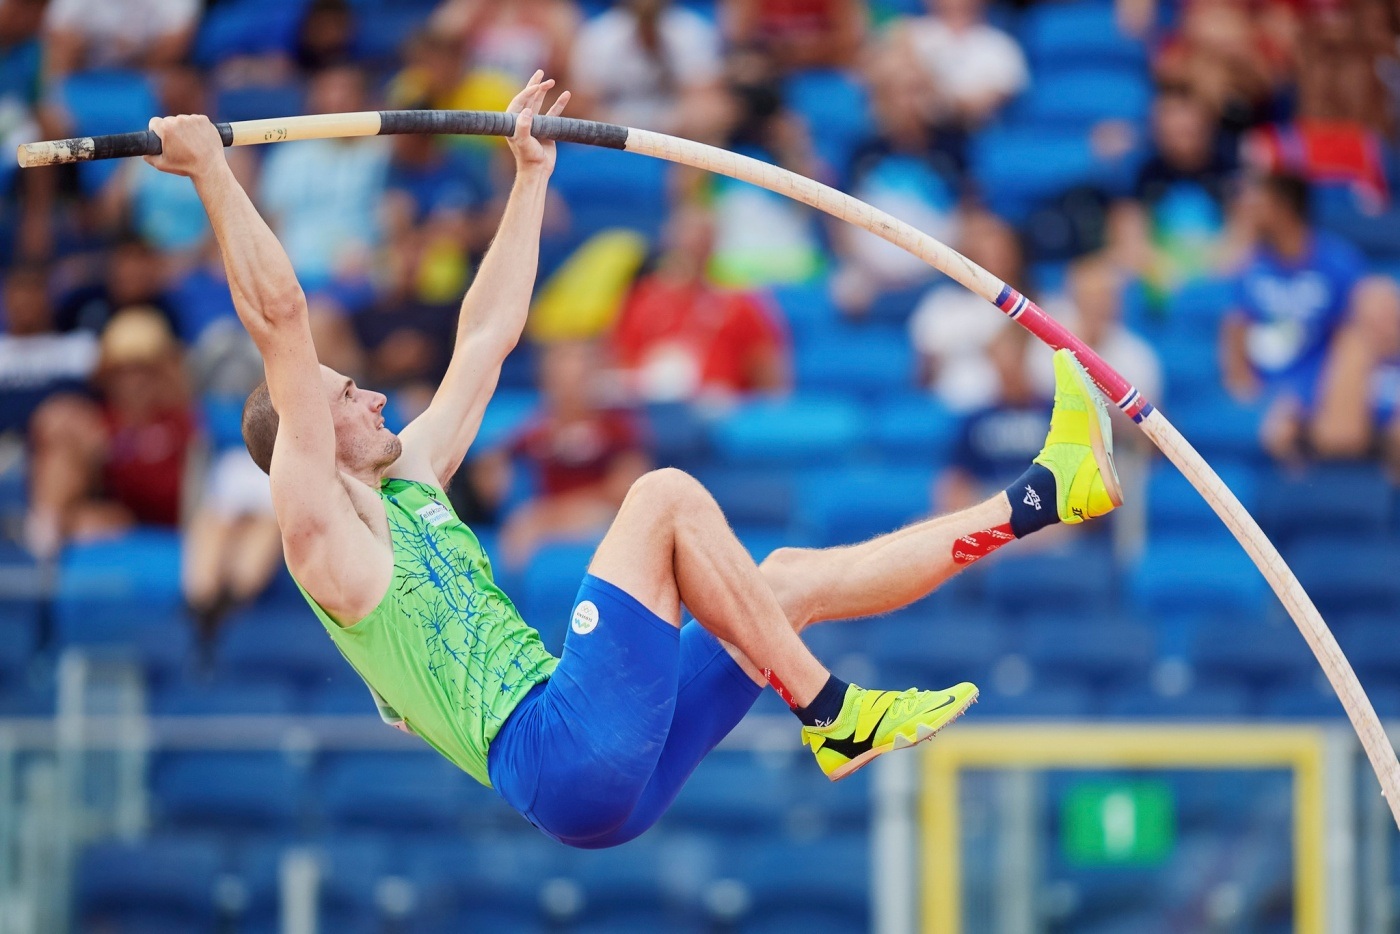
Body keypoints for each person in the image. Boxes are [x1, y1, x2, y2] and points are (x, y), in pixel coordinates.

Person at [145, 72, 1121, 849]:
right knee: (658, 497)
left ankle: (1044, 492)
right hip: (555, 745)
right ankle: (830, 711)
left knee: (777, 585)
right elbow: (279, 316)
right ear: (304, 433)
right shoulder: (322, 533)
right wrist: (212, 174)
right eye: (344, 394)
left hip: (598, 773)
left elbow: (483, 338)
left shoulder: (406, 482)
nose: (371, 394)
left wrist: (528, 182)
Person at [1221, 172, 1365, 461]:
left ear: (1282, 208)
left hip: (1320, 392)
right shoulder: (1251, 265)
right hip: (1265, 395)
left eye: (1258, 202)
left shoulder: (1338, 263)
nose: (1249, 209)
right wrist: (1253, 400)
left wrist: (1310, 400)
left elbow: (1351, 346)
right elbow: (1234, 335)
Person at [476, 340, 652, 570]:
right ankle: (513, 598)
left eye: (577, 379)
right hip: (548, 514)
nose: (568, 390)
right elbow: (497, 455)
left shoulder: (616, 426)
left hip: (602, 514)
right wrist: (494, 471)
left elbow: (629, 487)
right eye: (559, 380)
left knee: (536, 524)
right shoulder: (539, 427)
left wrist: (560, 511)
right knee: (517, 529)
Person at [611, 203, 789, 401]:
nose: (693, 249)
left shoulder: (738, 305)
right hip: (656, 413)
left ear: (713, 245)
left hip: (721, 414)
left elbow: (769, 376)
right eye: (687, 240)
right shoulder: (644, 300)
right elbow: (623, 363)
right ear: (669, 241)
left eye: (702, 241)